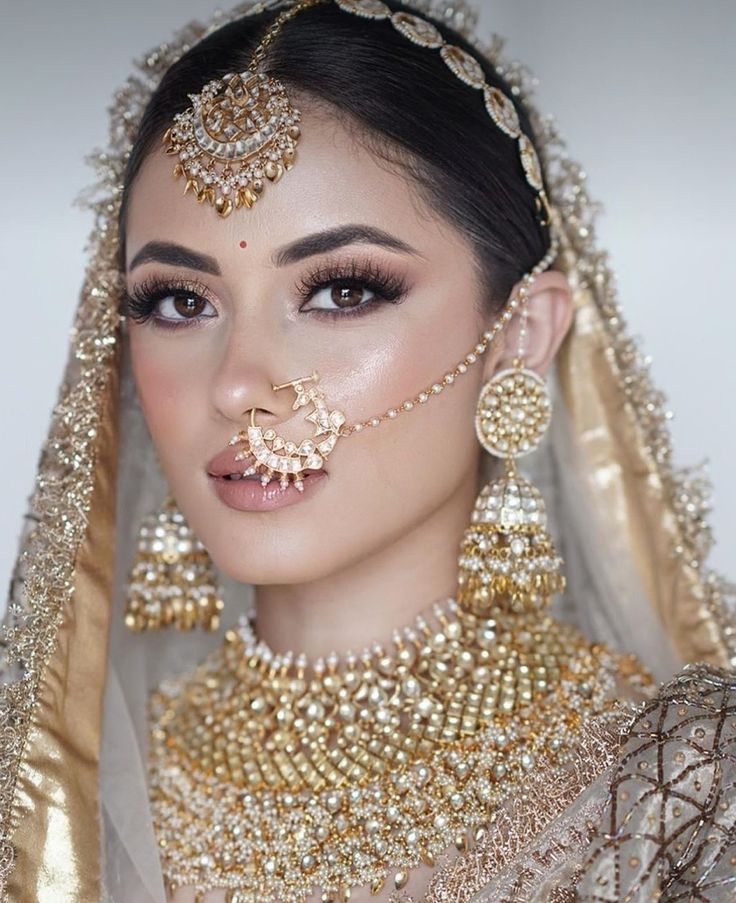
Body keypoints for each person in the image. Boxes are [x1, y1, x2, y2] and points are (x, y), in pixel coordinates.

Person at [1, 0, 734, 900]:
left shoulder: (687, 789)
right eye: (180, 302)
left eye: (343, 290)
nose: (237, 385)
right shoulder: (43, 791)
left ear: (519, 336)